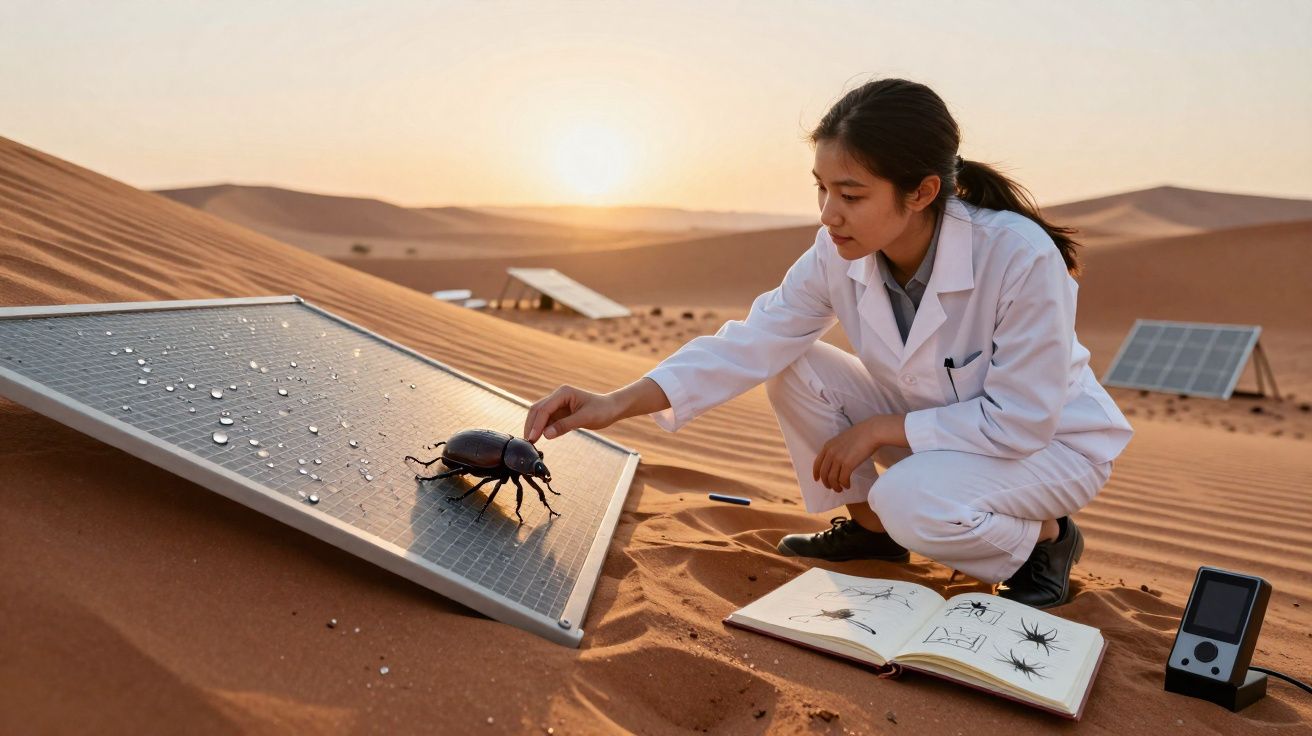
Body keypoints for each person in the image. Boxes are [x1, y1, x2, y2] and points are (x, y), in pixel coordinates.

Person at [522, 78, 1134, 610]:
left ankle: (1045, 542)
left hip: (1048, 449)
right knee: (793, 366)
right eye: (820, 188)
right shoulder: (836, 253)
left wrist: (878, 429)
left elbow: (1021, 421)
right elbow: (754, 340)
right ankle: (875, 533)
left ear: (920, 192)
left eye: (851, 195)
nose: (826, 213)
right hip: (938, 435)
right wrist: (615, 402)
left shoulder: (1018, 255)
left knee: (911, 500)